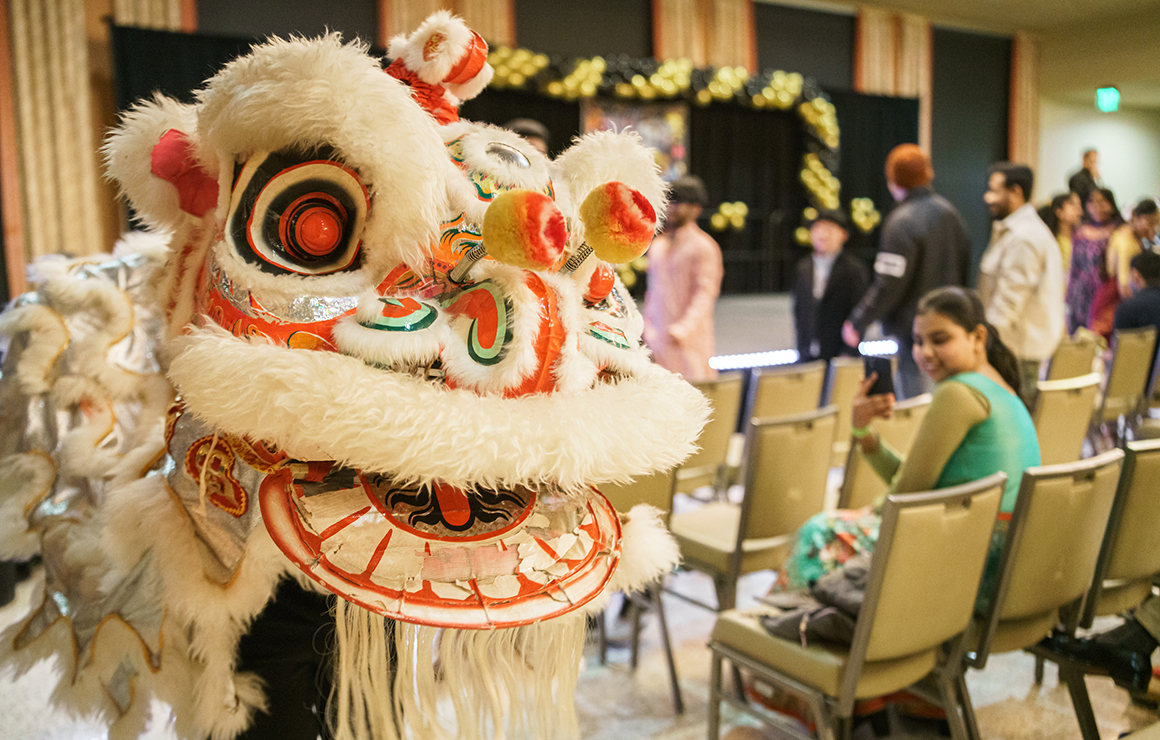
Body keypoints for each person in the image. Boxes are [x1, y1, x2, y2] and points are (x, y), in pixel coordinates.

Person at [777, 287, 1041, 593]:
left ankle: (788, 631)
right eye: (918, 342)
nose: (925, 352)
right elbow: (917, 482)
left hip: (965, 560)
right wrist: (864, 433)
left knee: (818, 532)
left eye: (940, 340)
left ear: (978, 337)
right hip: (1002, 559)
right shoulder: (1001, 387)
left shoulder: (959, 392)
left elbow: (905, 494)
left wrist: (869, 511)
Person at [842, 144, 972, 399]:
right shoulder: (951, 213)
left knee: (915, 404)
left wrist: (859, 319)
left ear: (893, 180)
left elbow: (889, 285)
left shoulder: (900, 222)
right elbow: (964, 268)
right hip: (951, 325)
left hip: (916, 333)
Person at [978, 162, 1065, 408]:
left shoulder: (1024, 238)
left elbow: (1008, 302)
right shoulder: (1018, 232)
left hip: (1016, 354)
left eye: (994, 190)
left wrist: (983, 349)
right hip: (1016, 352)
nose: (988, 197)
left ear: (1015, 192)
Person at [643, 175, 723, 381]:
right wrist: (647, 327)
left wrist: (683, 330)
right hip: (657, 343)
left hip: (689, 345)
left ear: (696, 208)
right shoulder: (658, 246)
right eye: (669, 201)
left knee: (694, 403)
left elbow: (705, 295)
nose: (671, 207)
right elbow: (653, 292)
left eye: (679, 202)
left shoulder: (703, 247)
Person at [792, 209, 870, 362]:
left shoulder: (854, 269)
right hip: (808, 353)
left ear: (843, 234)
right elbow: (799, 311)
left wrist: (849, 351)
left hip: (840, 353)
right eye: (817, 228)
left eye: (829, 229)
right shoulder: (803, 267)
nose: (822, 235)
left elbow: (860, 311)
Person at [1090, 198, 1160, 337]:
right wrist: (1132, 309)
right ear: (1137, 218)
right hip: (1114, 297)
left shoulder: (1133, 235)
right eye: (1150, 223)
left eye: (1156, 225)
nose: (1152, 230)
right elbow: (1123, 286)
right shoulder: (1125, 241)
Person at [1066, 187, 1124, 334]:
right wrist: (1069, 294)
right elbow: (1074, 266)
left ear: (1111, 204)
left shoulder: (1120, 232)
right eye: (1092, 203)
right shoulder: (1081, 231)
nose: (1097, 207)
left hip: (1105, 292)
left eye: (1102, 202)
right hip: (1080, 293)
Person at [1037, 192, 1084, 281]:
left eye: (1079, 205)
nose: (1079, 210)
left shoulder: (1081, 240)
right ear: (1059, 212)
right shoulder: (1051, 241)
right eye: (1073, 205)